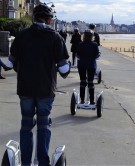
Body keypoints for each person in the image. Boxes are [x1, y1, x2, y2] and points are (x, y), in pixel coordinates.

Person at [5, 3, 70, 165]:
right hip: (45, 89)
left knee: (26, 124)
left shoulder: (21, 36)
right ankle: (42, 161)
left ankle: (25, 162)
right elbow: (64, 70)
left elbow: (8, 64)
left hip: (25, 88)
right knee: (43, 125)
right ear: (49, 20)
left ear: (34, 18)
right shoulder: (55, 37)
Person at [77, 29, 100, 104]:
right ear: (92, 36)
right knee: (90, 82)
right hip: (91, 65)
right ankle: (92, 101)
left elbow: (78, 55)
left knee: (82, 82)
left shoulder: (80, 44)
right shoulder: (94, 44)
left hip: (81, 65)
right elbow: (97, 55)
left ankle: (82, 100)